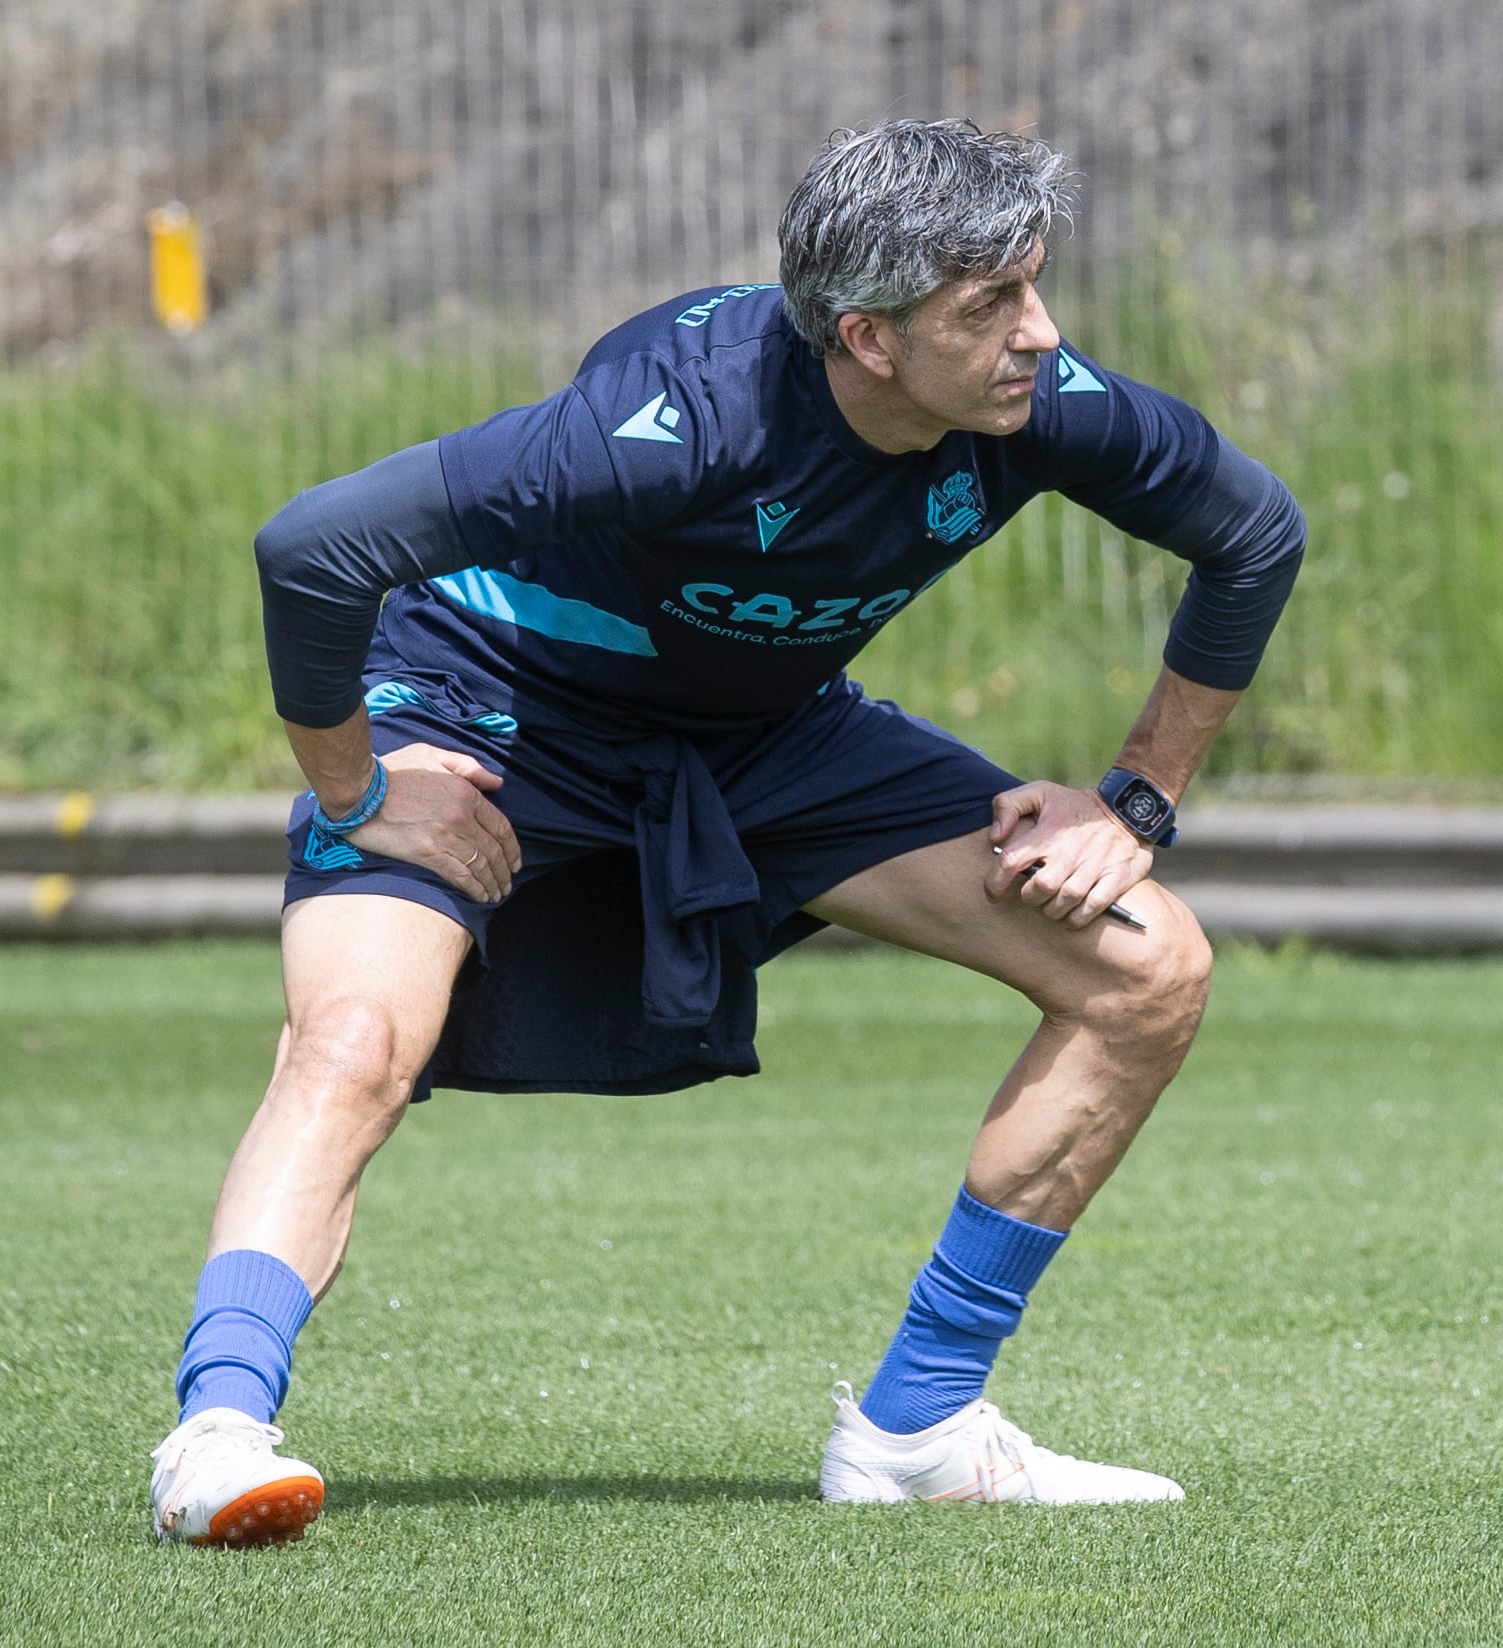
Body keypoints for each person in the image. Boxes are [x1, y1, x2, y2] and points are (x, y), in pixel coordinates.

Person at [148, 117, 1305, 1544]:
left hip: (770, 734)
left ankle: (917, 1432)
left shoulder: (1042, 406)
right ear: (868, 337)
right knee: (351, 1043)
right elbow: (314, 548)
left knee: (1146, 969)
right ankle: (216, 1435)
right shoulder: (680, 421)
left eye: (1035, 286)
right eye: (989, 305)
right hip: (489, 707)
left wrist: (1134, 799)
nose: (1039, 335)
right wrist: (358, 794)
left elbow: (1254, 536)